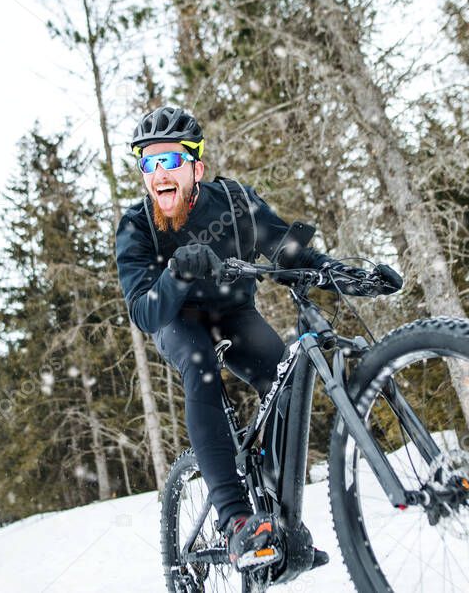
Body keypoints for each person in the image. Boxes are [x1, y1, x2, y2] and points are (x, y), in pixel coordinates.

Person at [114, 106, 374, 571]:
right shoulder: (138, 227)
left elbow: (287, 249)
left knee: (286, 377)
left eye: (169, 160)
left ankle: (276, 521)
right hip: (179, 319)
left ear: (196, 166)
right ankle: (236, 521)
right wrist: (175, 273)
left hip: (235, 313)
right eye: (148, 164)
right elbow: (143, 310)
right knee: (200, 366)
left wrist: (344, 274)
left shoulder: (234, 202)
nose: (159, 174)